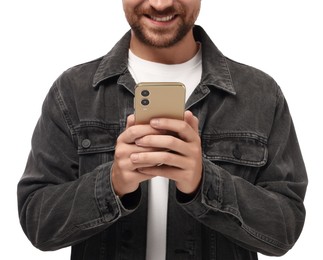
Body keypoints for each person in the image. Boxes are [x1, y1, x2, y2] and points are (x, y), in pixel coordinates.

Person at [17, 0, 308, 259]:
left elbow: (285, 229)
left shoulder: (260, 94)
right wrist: (112, 183)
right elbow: (38, 223)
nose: (160, 4)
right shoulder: (72, 91)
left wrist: (204, 182)